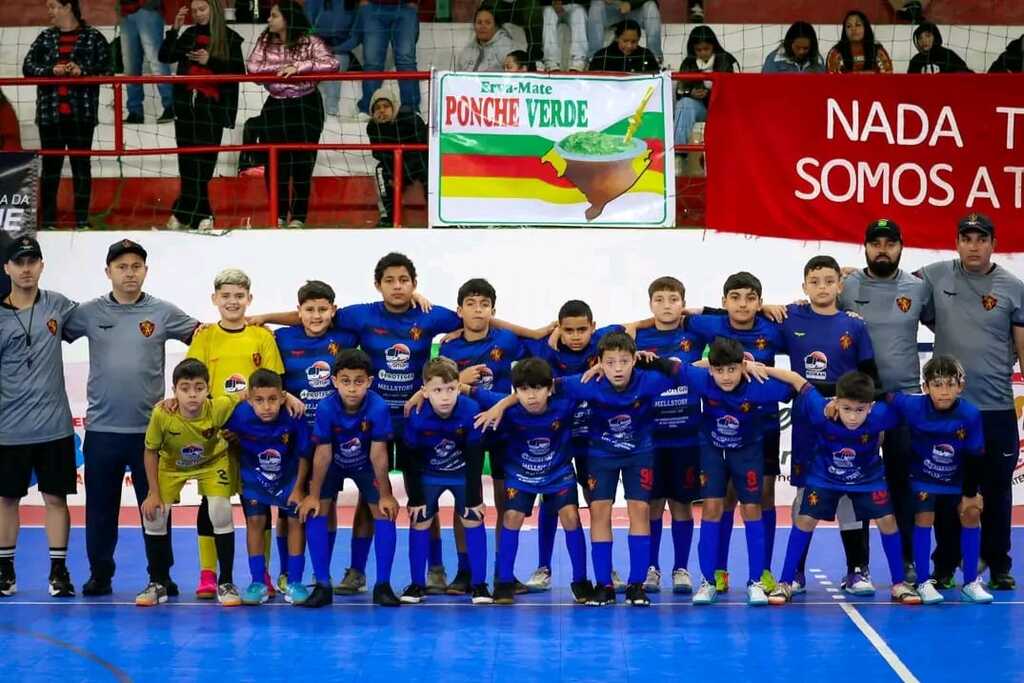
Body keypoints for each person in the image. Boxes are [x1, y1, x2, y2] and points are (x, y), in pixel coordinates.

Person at [62, 239, 198, 596]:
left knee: (155, 508)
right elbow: (52, 334)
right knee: (100, 510)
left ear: (146, 271)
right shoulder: (88, 313)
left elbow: (203, 339)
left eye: (136, 266)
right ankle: (100, 575)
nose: (129, 273)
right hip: (103, 431)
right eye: (121, 267)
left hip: (149, 434)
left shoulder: (163, 311)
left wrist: (186, 395)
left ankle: (160, 575)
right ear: (108, 272)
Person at [137, 360, 303, 606]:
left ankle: (226, 581)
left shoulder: (221, 406)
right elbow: (150, 452)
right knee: (154, 515)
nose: (192, 394)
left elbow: (252, 393)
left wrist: (287, 396)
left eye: (198, 387)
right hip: (172, 467)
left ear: (208, 388)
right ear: (174, 391)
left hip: (211, 464)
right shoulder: (163, 413)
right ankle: (157, 582)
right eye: (184, 389)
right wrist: (152, 492)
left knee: (220, 510)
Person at [916, 214, 1024, 591]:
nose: (973, 246)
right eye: (966, 238)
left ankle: (999, 564)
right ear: (957, 242)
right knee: (947, 492)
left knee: (996, 490)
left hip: (995, 408)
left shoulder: (1013, 287)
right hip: (948, 408)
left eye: (981, 239)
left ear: (993, 243)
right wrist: (850, 274)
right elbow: (890, 285)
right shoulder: (934, 275)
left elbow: (1022, 344)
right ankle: (945, 565)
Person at [766, 369, 921, 606]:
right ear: (836, 403)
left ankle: (899, 582)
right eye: (846, 409)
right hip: (824, 476)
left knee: (888, 521)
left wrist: (884, 396)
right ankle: (786, 581)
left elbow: (911, 401)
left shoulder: (882, 415)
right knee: (804, 519)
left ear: (870, 406)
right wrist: (761, 369)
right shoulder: (821, 411)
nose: (852, 417)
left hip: (867, 477)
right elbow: (798, 380)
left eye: (860, 410)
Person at [840, 219, 932, 582]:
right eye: (875, 243)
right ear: (864, 247)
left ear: (901, 246)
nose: (882, 249)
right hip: (857, 403)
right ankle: (857, 567)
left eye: (889, 243)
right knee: (855, 482)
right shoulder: (846, 286)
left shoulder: (918, 288)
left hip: (904, 402)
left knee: (902, 484)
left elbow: (951, 323)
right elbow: (816, 307)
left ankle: (907, 561)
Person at [186, 268, 285, 599]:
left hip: (255, 438)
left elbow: (273, 384)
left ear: (249, 299)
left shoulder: (262, 337)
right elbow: (194, 385)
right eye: (225, 296)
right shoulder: (204, 337)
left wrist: (250, 426)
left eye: (239, 296)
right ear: (215, 299)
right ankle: (207, 574)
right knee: (211, 503)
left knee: (258, 503)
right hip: (214, 435)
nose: (232, 301)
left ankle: (263, 575)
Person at [471, 358, 593, 604]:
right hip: (520, 475)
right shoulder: (503, 407)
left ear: (550, 389)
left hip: (558, 472)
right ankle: (504, 582)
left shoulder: (566, 403)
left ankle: (580, 581)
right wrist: (420, 395)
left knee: (570, 514)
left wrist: (599, 367)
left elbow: (589, 382)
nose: (531, 396)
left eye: (537, 388)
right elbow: (468, 390)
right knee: (511, 517)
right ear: (516, 392)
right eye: (524, 390)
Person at [521, 299, 621, 592]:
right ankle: (544, 567)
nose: (576, 335)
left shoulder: (603, 343)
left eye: (582, 329)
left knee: (597, 504)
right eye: (568, 330)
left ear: (593, 327)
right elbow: (527, 344)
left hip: (594, 441)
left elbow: (630, 328)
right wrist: (549, 338)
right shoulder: (546, 352)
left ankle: (606, 567)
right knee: (551, 504)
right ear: (559, 329)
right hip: (558, 440)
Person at [439, 278, 530, 589]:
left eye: (484, 305)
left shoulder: (507, 339)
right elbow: (439, 384)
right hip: (466, 430)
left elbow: (542, 343)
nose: (478, 310)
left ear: (493, 309)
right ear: (459, 310)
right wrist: (457, 377)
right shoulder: (449, 345)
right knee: (466, 501)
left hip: (504, 429)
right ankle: (465, 571)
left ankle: (505, 572)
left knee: (508, 501)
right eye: (471, 304)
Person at [0, 235, 78, 598]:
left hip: (54, 427)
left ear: (42, 266)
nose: (27, 268)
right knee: (6, 500)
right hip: (8, 429)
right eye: (20, 262)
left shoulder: (59, 305)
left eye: (33, 261)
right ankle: (5, 571)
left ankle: (58, 572)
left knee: (56, 500)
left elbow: (100, 322)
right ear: (7, 268)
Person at [884, 356, 992, 604]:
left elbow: (975, 456)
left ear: (960, 386)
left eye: (950, 384)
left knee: (973, 512)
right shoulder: (911, 405)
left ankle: (970, 582)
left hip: (957, 477)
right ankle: (923, 582)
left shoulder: (970, 414)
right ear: (925, 388)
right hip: (923, 478)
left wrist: (970, 494)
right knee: (924, 517)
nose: (944, 392)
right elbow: (884, 396)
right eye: (937, 385)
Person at [298, 349, 401, 607]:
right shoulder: (326, 407)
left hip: (365, 464)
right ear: (334, 381)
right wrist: (312, 494)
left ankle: (383, 585)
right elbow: (322, 454)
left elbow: (379, 454)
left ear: (369, 381)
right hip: (332, 464)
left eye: (358, 381)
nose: (352, 388)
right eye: (345, 381)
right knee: (316, 510)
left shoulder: (377, 407)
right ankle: (322, 584)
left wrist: (386, 494)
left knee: (384, 511)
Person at [272, 280, 355, 590]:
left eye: (323, 309)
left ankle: (323, 570)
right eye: (309, 310)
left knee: (325, 504)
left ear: (332, 311)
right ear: (299, 312)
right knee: (287, 507)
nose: (316, 315)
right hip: (290, 437)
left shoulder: (346, 337)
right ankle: (285, 572)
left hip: (329, 439)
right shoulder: (281, 337)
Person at [633, 277, 707, 594]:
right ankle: (652, 568)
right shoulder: (637, 335)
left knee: (681, 503)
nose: (666, 305)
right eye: (659, 299)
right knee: (651, 505)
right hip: (649, 438)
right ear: (650, 304)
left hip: (687, 437)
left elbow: (726, 331)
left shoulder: (695, 333)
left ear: (683, 302)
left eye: (673, 299)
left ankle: (680, 568)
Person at [401, 357, 491, 605]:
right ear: (425, 391)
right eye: (437, 390)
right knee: (419, 519)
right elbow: (409, 459)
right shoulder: (416, 415)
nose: (445, 397)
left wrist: (475, 498)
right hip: (429, 474)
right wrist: (416, 498)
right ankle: (417, 584)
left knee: (473, 517)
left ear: (458, 388)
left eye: (451, 389)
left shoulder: (471, 410)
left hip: (462, 473)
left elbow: (475, 458)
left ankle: (480, 584)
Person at [246, 1, 339, 229]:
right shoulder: (264, 42)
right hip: (276, 106)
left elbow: (332, 63)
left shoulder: (311, 42)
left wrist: (299, 67)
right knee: (274, 165)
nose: (269, 20)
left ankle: (298, 217)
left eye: (274, 16)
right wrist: (281, 72)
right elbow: (253, 70)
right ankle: (277, 216)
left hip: (306, 107)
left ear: (287, 18)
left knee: (302, 165)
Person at [23, 0, 111, 230]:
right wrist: (51, 70)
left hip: (81, 114)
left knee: (82, 167)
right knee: (50, 168)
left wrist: (83, 71)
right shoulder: (44, 37)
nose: (49, 11)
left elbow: (107, 66)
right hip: (49, 114)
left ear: (68, 7)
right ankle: (49, 221)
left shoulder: (93, 37)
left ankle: (81, 221)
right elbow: (28, 67)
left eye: (53, 6)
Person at [225, 369, 311, 606]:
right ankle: (258, 582)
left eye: (272, 399)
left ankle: (294, 582)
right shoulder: (239, 414)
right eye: (259, 400)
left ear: (283, 397)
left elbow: (305, 454)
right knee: (255, 523)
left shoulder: (294, 414)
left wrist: (299, 488)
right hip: (253, 477)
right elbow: (217, 429)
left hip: (289, 477)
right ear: (249, 399)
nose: (266, 407)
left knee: (295, 522)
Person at [159, 0, 245, 232]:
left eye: (202, 9)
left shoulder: (230, 37)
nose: (197, 14)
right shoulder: (188, 34)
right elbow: (165, 56)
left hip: (212, 109)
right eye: (194, 11)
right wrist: (175, 29)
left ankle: (183, 213)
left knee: (204, 166)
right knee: (187, 165)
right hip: (186, 107)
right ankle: (200, 215)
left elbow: (238, 73)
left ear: (214, 9)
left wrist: (211, 61)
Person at [674, 25, 738, 163]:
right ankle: (678, 155)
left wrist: (709, 93)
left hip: (722, 108)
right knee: (684, 104)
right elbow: (679, 92)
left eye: (706, 49)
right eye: (698, 50)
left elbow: (733, 91)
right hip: (700, 108)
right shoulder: (688, 63)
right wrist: (691, 93)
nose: (703, 53)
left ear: (713, 46)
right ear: (693, 49)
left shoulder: (726, 60)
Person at [366, 89, 427, 228]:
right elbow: (378, 154)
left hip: (418, 162)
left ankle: (436, 217)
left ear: (394, 106)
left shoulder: (410, 119)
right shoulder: (372, 127)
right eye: (377, 108)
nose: (382, 111)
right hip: (394, 165)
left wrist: (406, 168)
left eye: (386, 106)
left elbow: (423, 145)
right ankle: (389, 216)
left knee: (431, 171)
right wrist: (394, 173)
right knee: (380, 171)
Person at [356, 0, 421, 119]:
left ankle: (411, 110)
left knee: (406, 61)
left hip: (406, 6)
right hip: (372, 5)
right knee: (372, 62)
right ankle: (368, 109)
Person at [119, 0, 174, 124]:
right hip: (126, 12)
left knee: (157, 61)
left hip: (147, 8)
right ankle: (135, 111)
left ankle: (171, 106)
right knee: (130, 66)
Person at [304, 0, 358, 118]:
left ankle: (331, 110)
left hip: (340, 50)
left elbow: (355, 37)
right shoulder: (314, 2)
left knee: (334, 65)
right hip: (316, 47)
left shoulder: (354, 5)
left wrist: (336, 49)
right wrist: (319, 47)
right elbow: (307, 28)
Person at [587, 0, 661, 65]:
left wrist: (631, 4)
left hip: (634, 10)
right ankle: (594, 59)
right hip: (611, 10)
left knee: (651, 6)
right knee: (596, 5)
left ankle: (655, 60)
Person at [480, 0, 544, 71]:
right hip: (501, 5)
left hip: (522, 6)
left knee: (533, 6)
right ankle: (482, 57)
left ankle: (534, 59)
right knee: (487, 6)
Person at [826, 11, 893, 74]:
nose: (853, 29)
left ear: (866, 28)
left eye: (858, 25)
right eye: (849, 26)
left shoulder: (877, 50)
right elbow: (833, 79)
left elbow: (887, 75)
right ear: (844, 31)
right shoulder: (836, 52)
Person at [457, 8, 518, 72]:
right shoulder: (468, 50)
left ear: (496, 26)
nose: (483, 26)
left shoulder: (507, 48)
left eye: (488, 23)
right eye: (479, 22)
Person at [587, 18, 659, 73]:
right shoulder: (601, 56)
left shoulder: (646, 55)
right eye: (625, 41)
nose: (629, 46)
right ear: (617, 38)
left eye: (634, 41)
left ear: (639, 39)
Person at [541, 0, 587, 71]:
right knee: (548, 11)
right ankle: (552, 63)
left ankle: (577, 63)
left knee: (579, 11)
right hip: (551, 5)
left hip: (572, 4)